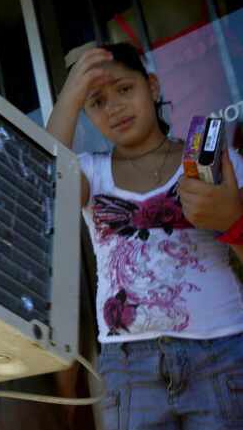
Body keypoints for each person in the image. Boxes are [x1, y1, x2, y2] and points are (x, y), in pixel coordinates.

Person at [46, 42, 243, 429]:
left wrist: (233, 219)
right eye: (96, 101)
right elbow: (42, 181)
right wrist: (69, 95)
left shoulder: (216, 159)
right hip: (129, 367)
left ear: (152, 87)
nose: (114, 107)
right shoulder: (89, 173)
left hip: (223, 351)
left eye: (124, 89)